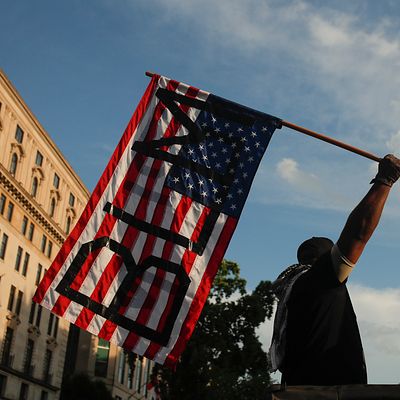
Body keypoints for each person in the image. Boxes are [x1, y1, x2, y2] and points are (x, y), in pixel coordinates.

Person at [269, 154, 400, 386]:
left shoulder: (292, 292)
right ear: (325, 259)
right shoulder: (318, 281)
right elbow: (357, 234)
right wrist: (385, 179)